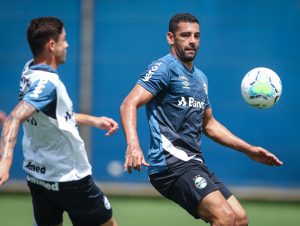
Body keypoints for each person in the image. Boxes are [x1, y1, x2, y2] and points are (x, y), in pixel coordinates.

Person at [120, 13, 283, 226]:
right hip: (171, 164)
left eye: (197, 36)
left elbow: (209, 124)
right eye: (185, 35)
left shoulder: (200, 78)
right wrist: (133, 144)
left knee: (239, 219)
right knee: (224, 217)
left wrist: (248, 149)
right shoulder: (164, 68)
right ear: (171, 38)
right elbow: (129, 103)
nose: (192, 41)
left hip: (194, 163)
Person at [0, 17, 118, 226]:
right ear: (52, 45)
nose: (67, 45)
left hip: (37, 177)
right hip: (69, 178)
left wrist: (95, 121)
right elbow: (13, 119)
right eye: (64, 40)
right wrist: (4, 163)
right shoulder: (47, 84)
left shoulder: (28, 71)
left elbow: (53, 115)